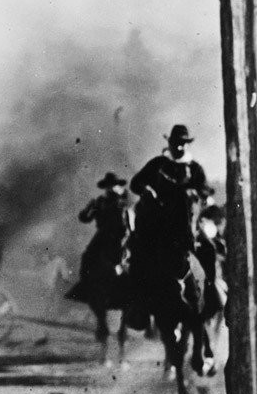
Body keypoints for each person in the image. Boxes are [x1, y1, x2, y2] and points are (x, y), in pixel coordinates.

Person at [125, 124, 208, 329]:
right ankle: (139, 307)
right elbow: (135, 184)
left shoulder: (194, 169)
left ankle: (211, 298)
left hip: (187, 227)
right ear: (169, 143)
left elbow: (204, 191)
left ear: (187, 145)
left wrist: (197, 197)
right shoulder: (158, 164)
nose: (179, 147)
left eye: (183, 143)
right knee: (138, 250)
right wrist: (147, 190)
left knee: (210, 251)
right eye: (176, 143)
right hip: (157, 224)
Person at [66, 171, 130, 310]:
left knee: (120, 263)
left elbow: (126, 224)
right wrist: (88, 208)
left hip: (116, 236)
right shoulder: (100, 202)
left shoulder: (121, 203)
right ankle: (85, 287)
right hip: (102, 235)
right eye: (108, 186)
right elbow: (85, 219)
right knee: (87, 257)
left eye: (113, 185)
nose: (110, 188)